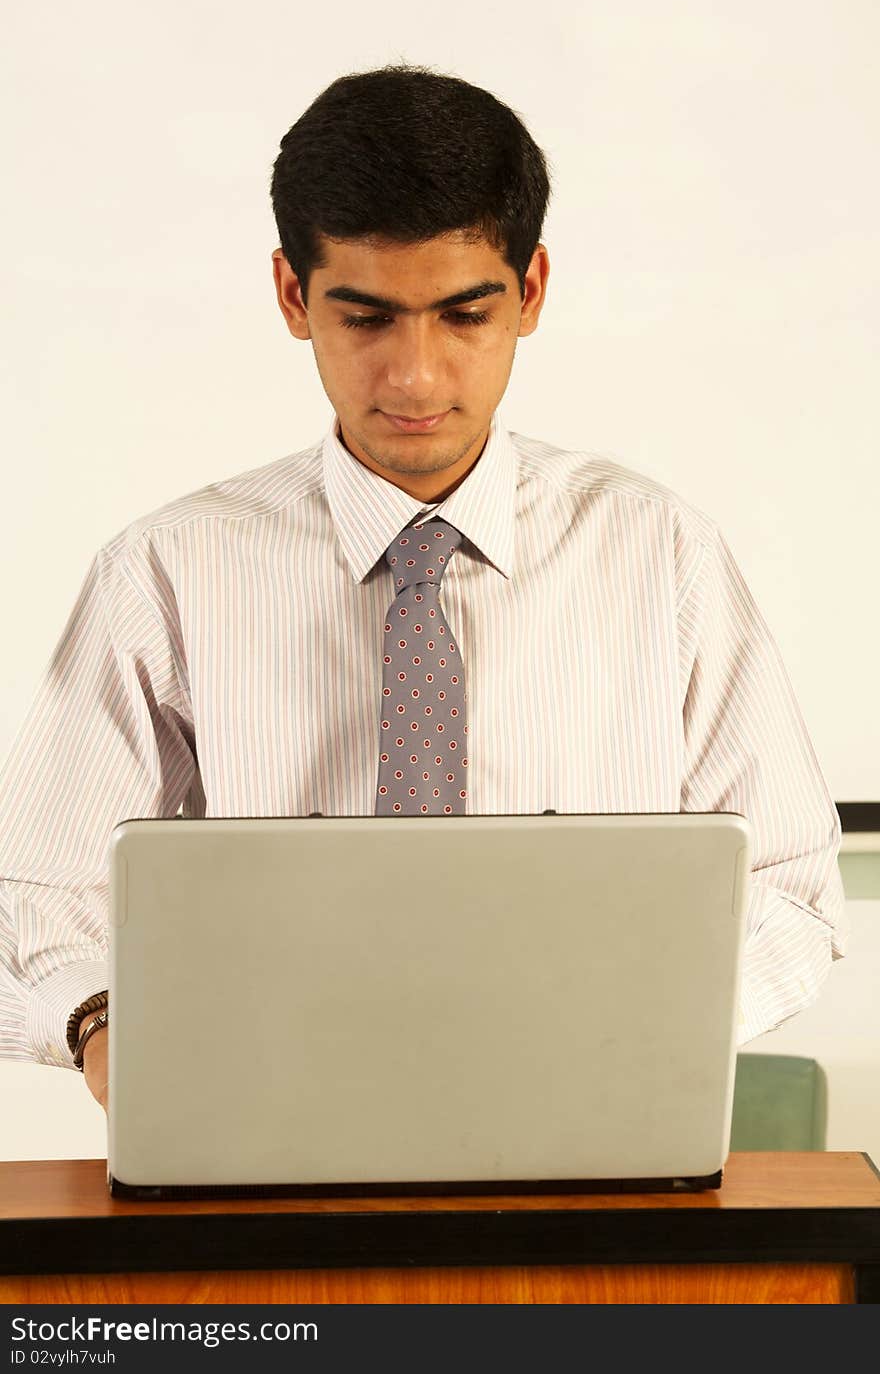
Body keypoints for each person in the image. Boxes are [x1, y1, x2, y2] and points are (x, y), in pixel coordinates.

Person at [0, 63, 848, 1116]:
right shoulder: (166, 572)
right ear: (291, 296)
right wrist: (104, 1025)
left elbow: (791, 885)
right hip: (266, 1119)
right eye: (365, 318)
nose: (415, 377)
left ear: (529, 291)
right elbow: (34, 891)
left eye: (463, 314)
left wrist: (629, 1024)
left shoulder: (660, 553)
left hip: (589, 1116)